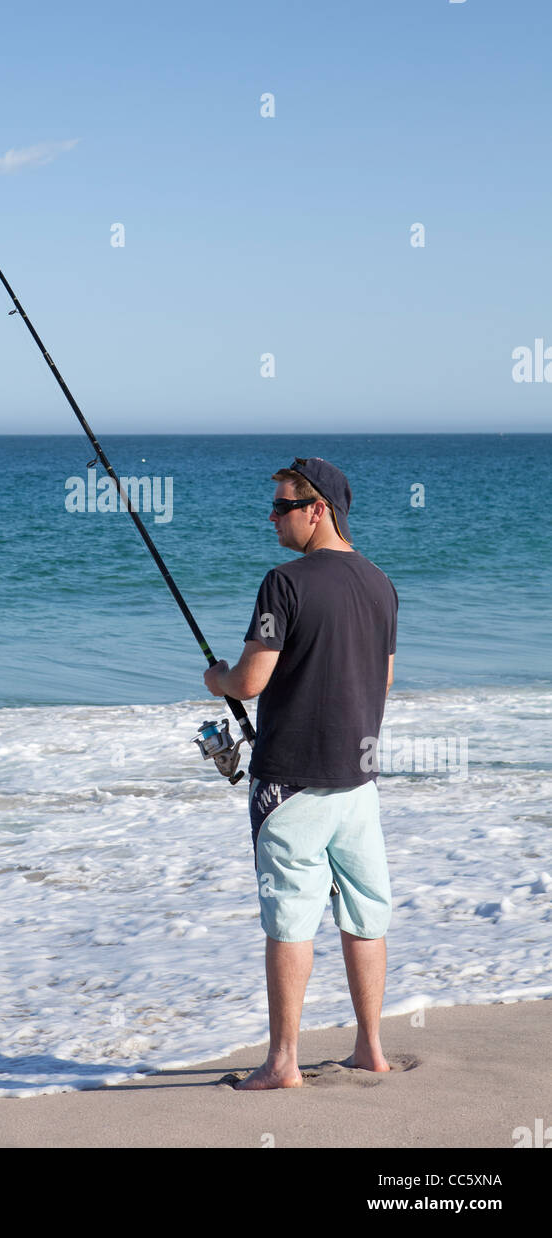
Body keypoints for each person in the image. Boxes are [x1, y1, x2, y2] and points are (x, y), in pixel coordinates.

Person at [204, 456, 397, 1090]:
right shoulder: (380, 584)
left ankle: (284, 1062)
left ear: (320, 511)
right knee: (365, 915)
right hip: (359, 782)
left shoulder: (283, 583)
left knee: (289, 921)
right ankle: (371, 1048)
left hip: (290, 783)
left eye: (284, 506)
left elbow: (250, 680)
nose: (273, 517)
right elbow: (383, 681)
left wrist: (216, 681)